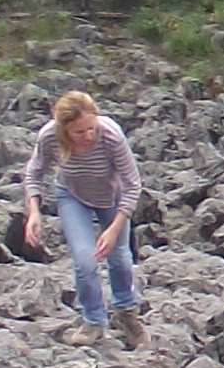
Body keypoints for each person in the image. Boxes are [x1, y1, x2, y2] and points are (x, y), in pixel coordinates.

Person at [21, 89, 146, 347]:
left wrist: (113, 229)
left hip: (111, 195)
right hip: (72, 195)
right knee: (84, 260)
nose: (88, 136)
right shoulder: (49, 137)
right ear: (64, 130)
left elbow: (133, 185)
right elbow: (33, 173)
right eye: (79, 132)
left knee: (119, 257)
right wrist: (34, 211)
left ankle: (126, 314)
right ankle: (94, 321)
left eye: (91, 128)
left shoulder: (110, 135)